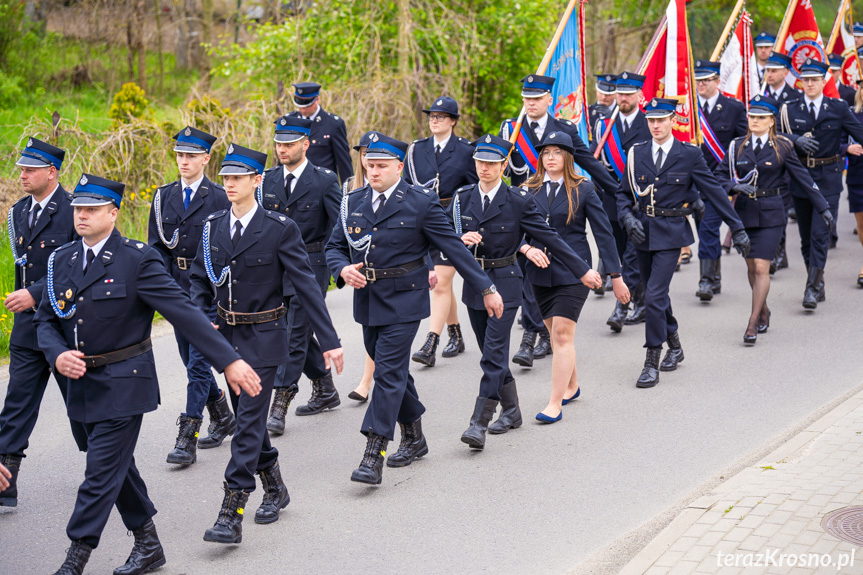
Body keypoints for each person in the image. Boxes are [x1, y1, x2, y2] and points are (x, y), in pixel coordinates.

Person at [34, 173, 261, 575]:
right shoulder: (61, 261)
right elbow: (46, 321)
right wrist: (56, 355)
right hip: (79, 387)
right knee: (117, 468)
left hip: (125, 382)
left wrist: (228, 360)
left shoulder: (136, 259)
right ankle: (148, 543)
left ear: (113, 212)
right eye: (77, 209)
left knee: (99, 472)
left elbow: (184, 312)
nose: (81, 216)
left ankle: (75, 558)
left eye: (90, 209)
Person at [326, 133, 504, 485]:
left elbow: (453, 248)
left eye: (380, 166)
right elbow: (335, 247)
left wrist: (486, 287)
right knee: (395, 373)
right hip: (368, 300)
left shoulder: (420, 203)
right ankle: (415, 436)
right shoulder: (352, 201)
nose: (372, 171)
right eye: (368, 164)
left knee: (387, 372)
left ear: (399, 166)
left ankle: (374, 451)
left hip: (406, 299)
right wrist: (341, 269)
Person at [188, 144, 343, 543]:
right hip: (227, 339)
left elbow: (306, 286)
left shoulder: (278, 228)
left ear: (257, 180)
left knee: (247, 425)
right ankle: (275, 486)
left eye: (237, 178)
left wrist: (329, 340)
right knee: (250, 422)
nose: (229, 185)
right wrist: (205, 319)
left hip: (265, 337)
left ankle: (232, 509)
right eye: (225, 178)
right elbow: (200, 281)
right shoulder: (212, 227)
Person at [448, 134, 601, 443]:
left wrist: (582, 269)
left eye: (492, 163)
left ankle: (479, 422)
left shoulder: (517, 199)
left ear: (504, 165)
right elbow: (444, 239)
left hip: (505, 281)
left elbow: (549, 236)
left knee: (493, 353)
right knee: (488, 354)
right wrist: (459, 242)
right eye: (480, 162)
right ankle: (511, 409)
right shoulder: (461, 197)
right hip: (474, 284)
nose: (484, 168)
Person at [616, 98, 750, 388]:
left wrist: (737, 227)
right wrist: (627, 218)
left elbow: (713, 191)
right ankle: (675, 343)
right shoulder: (636, 153)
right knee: (657, 296)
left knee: (652, 295)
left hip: (671, 232)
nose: (655, 126)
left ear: (672, 120)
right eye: (651, 120)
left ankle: (652, 358)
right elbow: (623, 194)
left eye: (661, 120)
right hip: (642, 232)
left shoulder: (688, 154)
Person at [500, 74, 617, 368]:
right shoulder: (512, 130)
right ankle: (530, 335)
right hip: (525, 208)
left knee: (544, 275)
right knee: (528, 274)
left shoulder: (563, 129)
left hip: (561, 207)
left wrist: (619, 191)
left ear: (549, 100)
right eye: (526, 99)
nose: (530, 104)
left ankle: (538, 336)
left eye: (536, 99)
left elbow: (587, 161)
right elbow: (498, 167)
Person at [0, 137, 85, 509]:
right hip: (27, 330)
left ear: (51, 172)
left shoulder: (74, 210)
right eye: (22, 168)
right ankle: (6, 485)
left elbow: (78, 266)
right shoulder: (19, 211)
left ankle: (106, 472)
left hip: (66, 330)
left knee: (83, 409)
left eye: (30, 169)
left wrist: (36, 293)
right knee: (16, 407)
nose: (23, 174)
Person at [524, 132, 629, 423]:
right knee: (555, 336)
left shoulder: (583, 189)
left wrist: (615, 276)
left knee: (561, 335)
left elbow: (604, 234)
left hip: (575, 272)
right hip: (538, 273)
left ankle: (554, 404)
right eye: (546, 153)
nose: (551, 158)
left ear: (568, 157)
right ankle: (572, 385)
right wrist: (525, 248)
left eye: (557, 152)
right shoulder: (528, 188)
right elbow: (516, 230)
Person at [147, 126, 236, 467]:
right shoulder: (163, 197)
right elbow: (156, 250)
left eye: (190, 156)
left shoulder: (218, 197)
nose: (183, 162)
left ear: (205, 158)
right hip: (175, 290)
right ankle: (224, 415)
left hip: (209, 290)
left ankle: (187, 436)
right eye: (179, 155)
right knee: (190, 360)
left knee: (198, 363)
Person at [717, 95, 830, 343]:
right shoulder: (737, 146)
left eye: (760, 117)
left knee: (761, 267)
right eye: (752, 116)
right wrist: (734, 188)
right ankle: (764, 310)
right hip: (744, 213)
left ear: (771, 121)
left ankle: (752, 322)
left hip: (771, 213)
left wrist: (823, 207)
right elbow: (719, 177)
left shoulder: (782, 146)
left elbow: (803, 179)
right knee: (750, 267)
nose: (754, 121)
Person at [259, 115, 342, 435]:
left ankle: (280, 403)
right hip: (274, 268)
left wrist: (338, 266)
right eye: (279, 143)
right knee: (295, 332)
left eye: (289, 144)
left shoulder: (324, 180)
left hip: (311, 265)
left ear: (305, 145)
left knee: (291, 334)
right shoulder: (266, 180)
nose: (282, 149)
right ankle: (324, 386)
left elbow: (338, 226)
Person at [779, 59, 863, 309]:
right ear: (801, 82)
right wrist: (795, 139)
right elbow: (774, 133)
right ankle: (816, 280)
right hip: (802, 178)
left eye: (815, 79)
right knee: (805, 236)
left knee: (819, 234)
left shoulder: (837, 108)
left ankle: (812, 288)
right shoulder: (789, 108)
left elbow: (859, 134)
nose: (810, 84)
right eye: (806, 80)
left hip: (828, 177)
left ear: (824, 81)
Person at [406, 96, 478, 367]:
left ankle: (430, 342)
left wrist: (468, 226)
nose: (434, 120)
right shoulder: (416, 150)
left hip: (452, 222)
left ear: (453, 121)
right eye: (431, 116)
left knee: (441, 282)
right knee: (441, 284)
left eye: (441, 116)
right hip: (422, 221)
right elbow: (408, 186)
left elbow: (473, 190)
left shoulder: (465, 150)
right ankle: (456, 334)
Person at [591, 71, 652, 332]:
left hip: (641, 199)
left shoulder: (650, 122)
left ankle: (621, 307)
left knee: (633, 254)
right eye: (620, 93)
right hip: (613, 197)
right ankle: (641, 301)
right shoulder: (603, 124)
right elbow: (599, 163)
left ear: (640, 95)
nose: (623, 97)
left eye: (629, 93)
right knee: (616, 251)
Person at [693, 60, 748, 302]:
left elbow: (743, 143)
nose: (701, 83)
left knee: (707, 227)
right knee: (704, 229)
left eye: (706, 79)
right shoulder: (688, 109)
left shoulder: (733, 108)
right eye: (698, 79)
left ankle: (705, 279)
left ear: (717, 81)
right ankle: (713, 276)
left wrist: (735, 175)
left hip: (718, 182)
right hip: (692, 184)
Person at [763, 51, 805, 272]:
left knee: (780, 207)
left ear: (786, 72)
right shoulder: (759, 94)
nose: (769, 74)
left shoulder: (795, 97)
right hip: (762, 161)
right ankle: (775, 253)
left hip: (785, 160)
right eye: (767, 70)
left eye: (774, 70)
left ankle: (778, 253)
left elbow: (795, 131)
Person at [344, 131, 376, 403]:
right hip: (359, 273)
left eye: (374, 155)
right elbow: (339, 232)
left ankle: (367, 382)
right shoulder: (349, 189)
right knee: (369, 329)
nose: (369, 160)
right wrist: (342, 267)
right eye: (365, 154)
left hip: (387, 271)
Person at [288, 81, 353, 184]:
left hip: (322, 186)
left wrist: (349, 192)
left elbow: (343, 164)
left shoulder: (333, 124)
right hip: (294, 185)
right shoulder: (290, 121)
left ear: (317, 99)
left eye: (307, 106)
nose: (303, 110)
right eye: (300, 106)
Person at [843, 79, 863, 287]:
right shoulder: (851, 114)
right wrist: (846, 149)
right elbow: (838, 140)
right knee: (861, 224)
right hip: (858, 174)